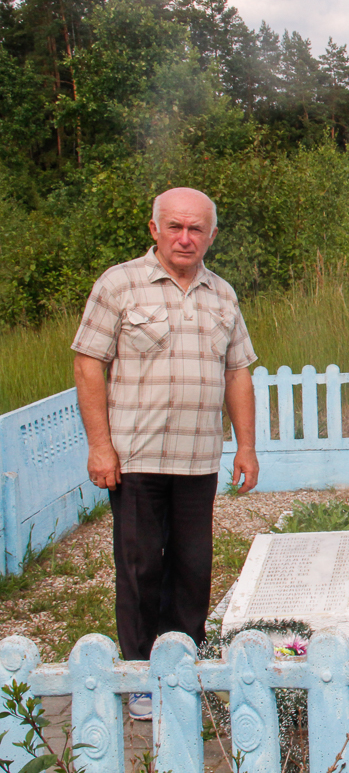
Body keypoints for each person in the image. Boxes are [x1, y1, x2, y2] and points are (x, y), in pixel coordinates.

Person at [72, 187, 258, 720]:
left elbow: (236, 371)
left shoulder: (223, 295)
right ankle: (139, 678)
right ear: (154, 229)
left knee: (192, 568)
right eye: (175, 227)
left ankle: (182, 667)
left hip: (198, 460)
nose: (185, 237)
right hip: (135, 459)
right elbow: (89, 364)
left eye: (196, 229)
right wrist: (100, 446)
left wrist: (245, 446)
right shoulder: (119, 285)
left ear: (211, 235)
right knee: (139, 568)